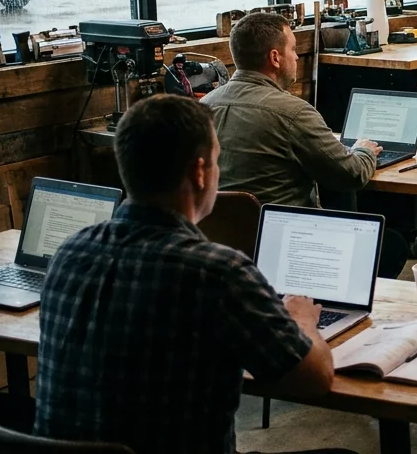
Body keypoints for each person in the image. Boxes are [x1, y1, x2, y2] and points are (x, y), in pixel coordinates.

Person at [34, 95, 344, 454]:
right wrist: (302, 320)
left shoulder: (69, 252)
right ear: (199, 172)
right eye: (216, 161)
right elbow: (314, 379)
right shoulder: (218, 272)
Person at [202, 11, 406, 277]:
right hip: (289, 250)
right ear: (275, 58)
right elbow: (351, 175)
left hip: (219, 252)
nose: (297, 57)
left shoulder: (201, 108)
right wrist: (364, 151)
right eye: (293, 50)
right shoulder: (294, 113)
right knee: (393, 245)